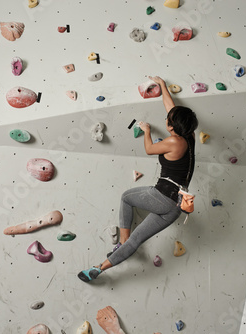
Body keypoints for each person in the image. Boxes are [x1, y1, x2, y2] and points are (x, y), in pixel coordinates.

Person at [78, 76, 199, 282]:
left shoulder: (173, 141)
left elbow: (150, 149)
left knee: (126, 197)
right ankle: (98, 269)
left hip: (164, 195)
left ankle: (121, 243)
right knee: (137, 240)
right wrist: (162, 86)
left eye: (168, 121)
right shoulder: (189, 136)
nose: (167, 119)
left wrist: (147, 131)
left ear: (172, 128)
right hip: (177, 207)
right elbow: (171, 108)